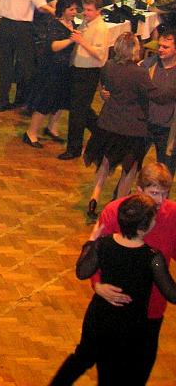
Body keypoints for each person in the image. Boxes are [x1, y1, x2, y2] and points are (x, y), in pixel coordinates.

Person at [49, 194, 176, 386]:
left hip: (99, 317)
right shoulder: (152, 257)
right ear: (143, 228)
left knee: (82, 357)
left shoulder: (103, 244)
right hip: (130, 325)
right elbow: (172, 294)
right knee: (114, 372)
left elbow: (82, 272)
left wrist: (91, 241)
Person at [89, 164, 176, 383]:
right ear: (139, 190)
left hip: (151, 308)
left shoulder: (172, 214)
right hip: (116, 306)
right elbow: (96, 253)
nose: (161, 201)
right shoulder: (115, 211)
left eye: (165, 194)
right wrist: (97, 285)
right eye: (154, 193)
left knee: (140, 370)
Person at [86, 33, 165, 217]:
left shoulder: (108, 66)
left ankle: (94, 198)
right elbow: (154, 95)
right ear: (134, 49)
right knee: (129, 169)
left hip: (108, 123)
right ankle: (117, 207)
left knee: (105, 163)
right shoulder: (139, 73)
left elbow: (105, 88)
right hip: (132, 128)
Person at [23, 0, 80, 147]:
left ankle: (51, 128)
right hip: (52, 69)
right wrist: (71, 40)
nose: (74, 12)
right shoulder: (54, 24)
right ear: (63, 10)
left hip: (65, 68)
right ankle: (31, 133)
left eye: (75, 9)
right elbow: (53, 46)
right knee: (44, 102)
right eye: (71, 9)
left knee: (61, 101)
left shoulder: (72, 23)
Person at [60, 0, 110, 160]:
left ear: (98, 11)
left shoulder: (101, 28)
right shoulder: (87, 22)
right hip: (78, 69)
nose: (85, 13)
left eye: (89, 10)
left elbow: (100, 55)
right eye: (85, 9)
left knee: (77, 113)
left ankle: (74, 149)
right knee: (81, 109)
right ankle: (102, 134)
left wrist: (82, 41)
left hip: (88, 73)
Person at [143, 25, 176, 175]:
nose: (160, 49)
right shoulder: (148, 64)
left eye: (165, 47)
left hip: (168, 131)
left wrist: (147, 90)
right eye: (159, 46)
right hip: (145, 124)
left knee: (165, 172)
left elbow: (164, 96)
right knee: (130, 166)